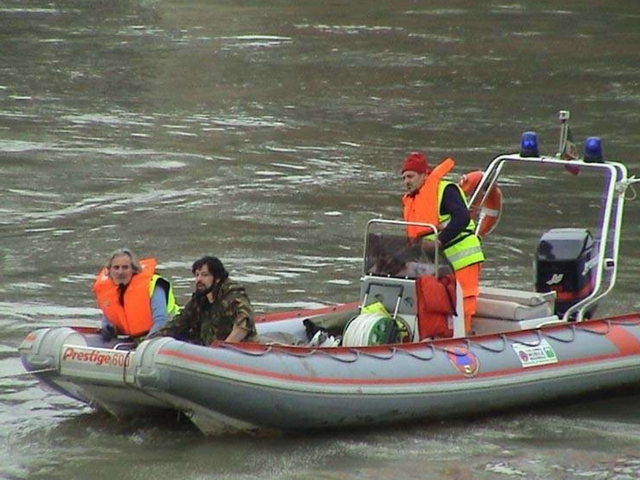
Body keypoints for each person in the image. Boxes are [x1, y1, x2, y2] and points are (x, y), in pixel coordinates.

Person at [400, 152, 484, 334]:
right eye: (404, 177)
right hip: (437, 263)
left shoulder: (445, 190)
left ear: (424, 175)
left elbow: (462, 217)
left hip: (463, 258)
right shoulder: (412, 201)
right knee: (436, 304)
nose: (407, 181)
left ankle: (465, 340)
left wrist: (440, 240)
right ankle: (439, 340)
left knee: (463, 305)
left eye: (411, 176)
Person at [151, 256, 257, 344]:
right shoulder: (199, 298)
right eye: (197, 275)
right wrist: (150, 340)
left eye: (204, 275)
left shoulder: (232, 294)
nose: (199, 279)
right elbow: (179, 323)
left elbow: (244, 323)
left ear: (217, 278)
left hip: (238, 352)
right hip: (209, 349)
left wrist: (224, 349)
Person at [92, 248, 180, 341]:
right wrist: (107, 330)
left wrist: (145, 344)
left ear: (134, 269)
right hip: (136, 339)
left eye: (125, 267)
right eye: (116, 267)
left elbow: (161, 321)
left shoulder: (153, 285)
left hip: (170, 335)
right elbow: (107, 321)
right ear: (109, 271)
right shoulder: (109, 292)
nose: (120, 272)